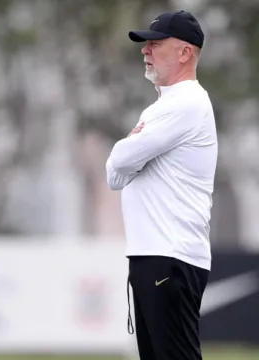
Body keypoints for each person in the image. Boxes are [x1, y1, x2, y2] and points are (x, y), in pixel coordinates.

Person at [105, 10, 217, 360]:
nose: (145, 51)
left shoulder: (186, 102)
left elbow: (119, 162)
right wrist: (130, 160)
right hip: (155, 256)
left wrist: (130, 158)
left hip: (170, 258)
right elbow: (115, 174)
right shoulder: (165, 106)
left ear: (184, 53)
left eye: (154, 44)